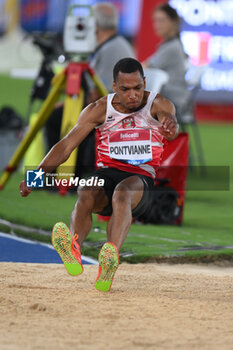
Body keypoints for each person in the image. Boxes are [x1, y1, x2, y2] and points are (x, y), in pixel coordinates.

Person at [20, 58, 178, 292]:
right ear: (115, 87)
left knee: (122, 193)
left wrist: (170, 125)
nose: (133, 95)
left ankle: (109, 260)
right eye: (125, 89)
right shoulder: (99, 109)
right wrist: (36, 176)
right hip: (107, 174)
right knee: (86, 188)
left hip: (140, 179)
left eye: (137, 87)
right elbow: (65, 146)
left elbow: (171, 121)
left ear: (144, 83)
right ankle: (74, 248)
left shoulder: (158, 103)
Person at [143, 3, 189, 118]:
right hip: (170, 96)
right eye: (155, 21)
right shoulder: (169, 45)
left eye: (161, 20)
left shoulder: (172, 47)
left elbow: (144, 67)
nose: (157, 25)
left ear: (173, 22)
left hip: (172, 99)